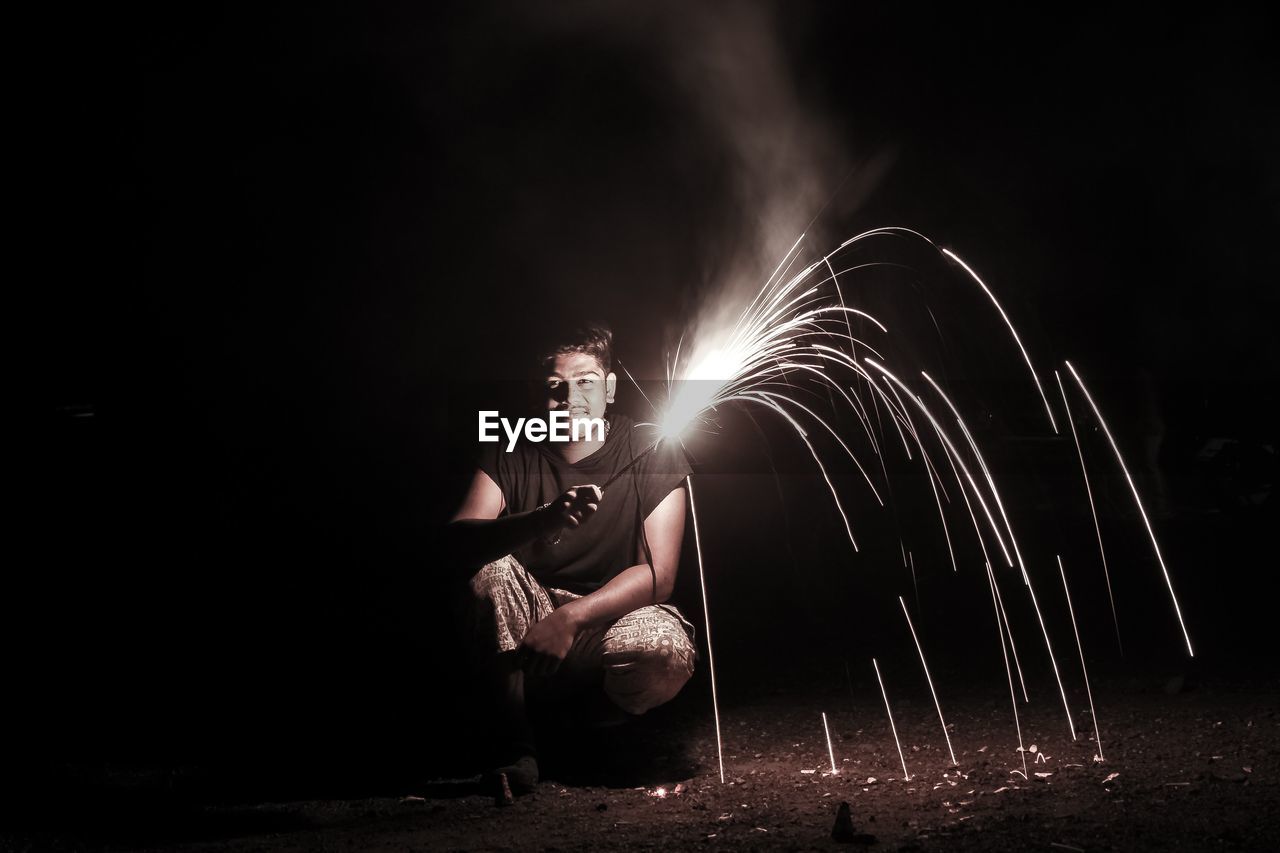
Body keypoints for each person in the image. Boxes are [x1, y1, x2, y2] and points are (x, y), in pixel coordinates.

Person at [446, 324, 697, 794]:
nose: (570, 397)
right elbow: (457, 542)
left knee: (665, 650)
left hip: (608, 617)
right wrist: (545, 519)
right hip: (527, 626)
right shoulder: (509, 447)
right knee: (488, 570)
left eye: (585, 380)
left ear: (610, 386)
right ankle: (516, 747)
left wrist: (572, 618)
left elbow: (660, 576)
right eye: (554, 386)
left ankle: (592, 733)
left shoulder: (652, 447)